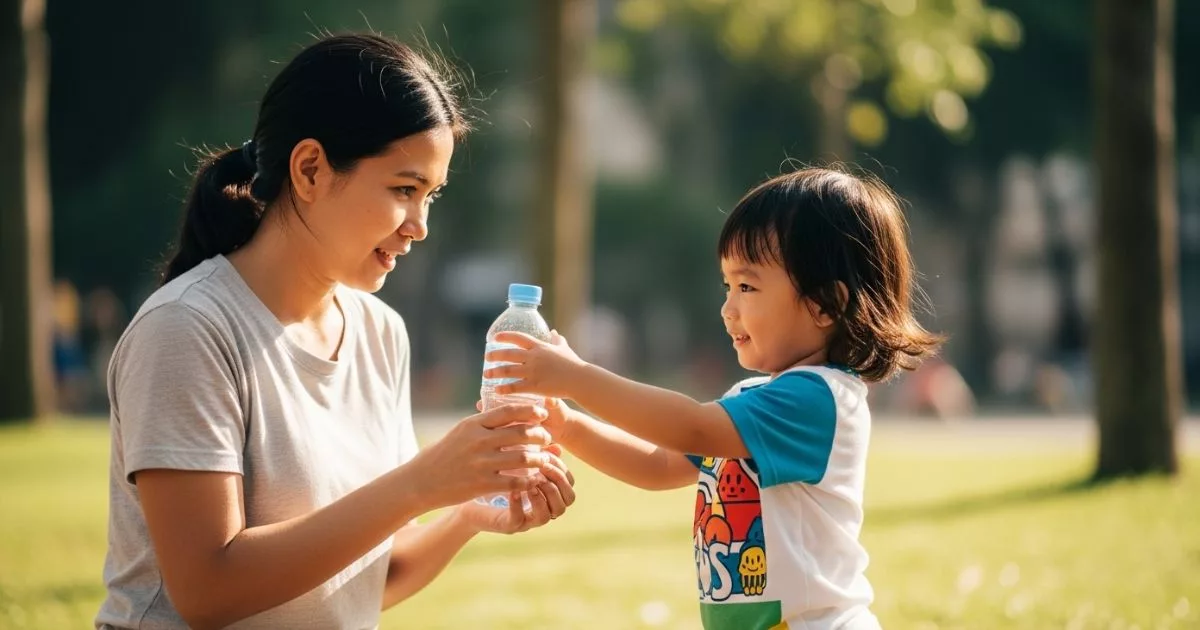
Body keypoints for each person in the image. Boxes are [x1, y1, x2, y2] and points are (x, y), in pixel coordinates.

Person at [97, 33, 575, 630]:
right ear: (310, 169)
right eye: (404, 189)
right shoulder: (188, 329)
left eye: (431, 195)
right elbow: (207, 589)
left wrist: (467, 514)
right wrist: (419, 483)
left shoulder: (381, 332)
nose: (420, 226)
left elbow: (368, 575)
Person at [484, 167, 943, 629]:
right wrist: (566, 424)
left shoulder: (819, 399)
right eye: (728, 286)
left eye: (747, 286)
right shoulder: (756, 398)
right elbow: (659, 465)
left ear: (825, 303)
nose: (728, 308)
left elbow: (690, 425)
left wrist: (578, 377)